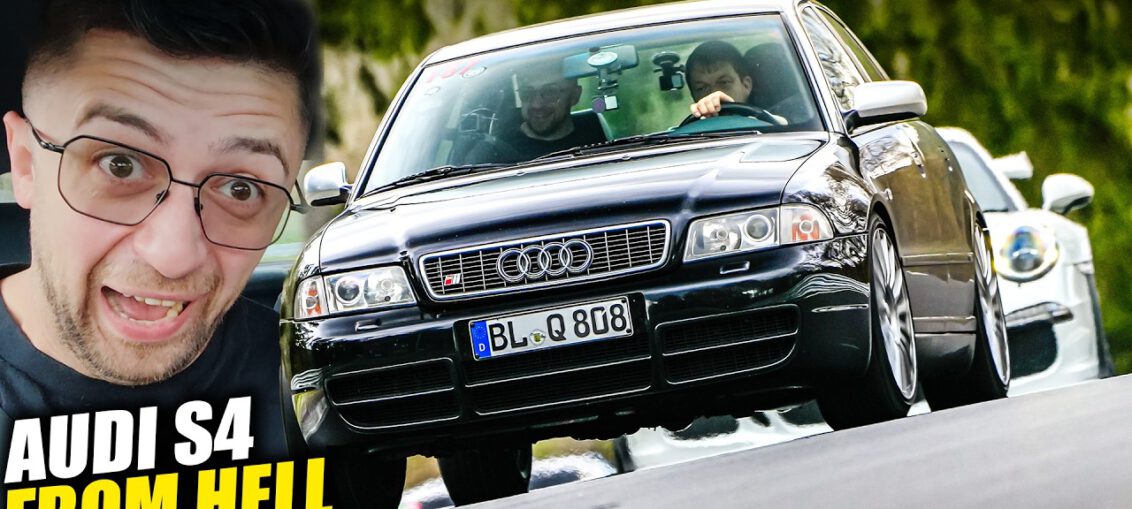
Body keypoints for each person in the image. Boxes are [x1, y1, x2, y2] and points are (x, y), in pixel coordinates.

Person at [0, 0, 318, 484]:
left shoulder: (314, 402)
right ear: (25, 163)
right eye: (120, 164)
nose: (174, 256)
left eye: (240, 189)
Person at [469, 63, 607, 164]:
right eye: (527, 93)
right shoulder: (494, 154)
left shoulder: (604, 146)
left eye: (550, 92)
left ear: (575, 96)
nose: (537, 104)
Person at [686, 39, 786, 124]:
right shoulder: (683, 140)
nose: (715, 94)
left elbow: (789, 123)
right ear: (694, 97)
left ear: (746, 85)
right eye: (702, 88)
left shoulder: (773, 124)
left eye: (724, 82)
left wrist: (763, 120)